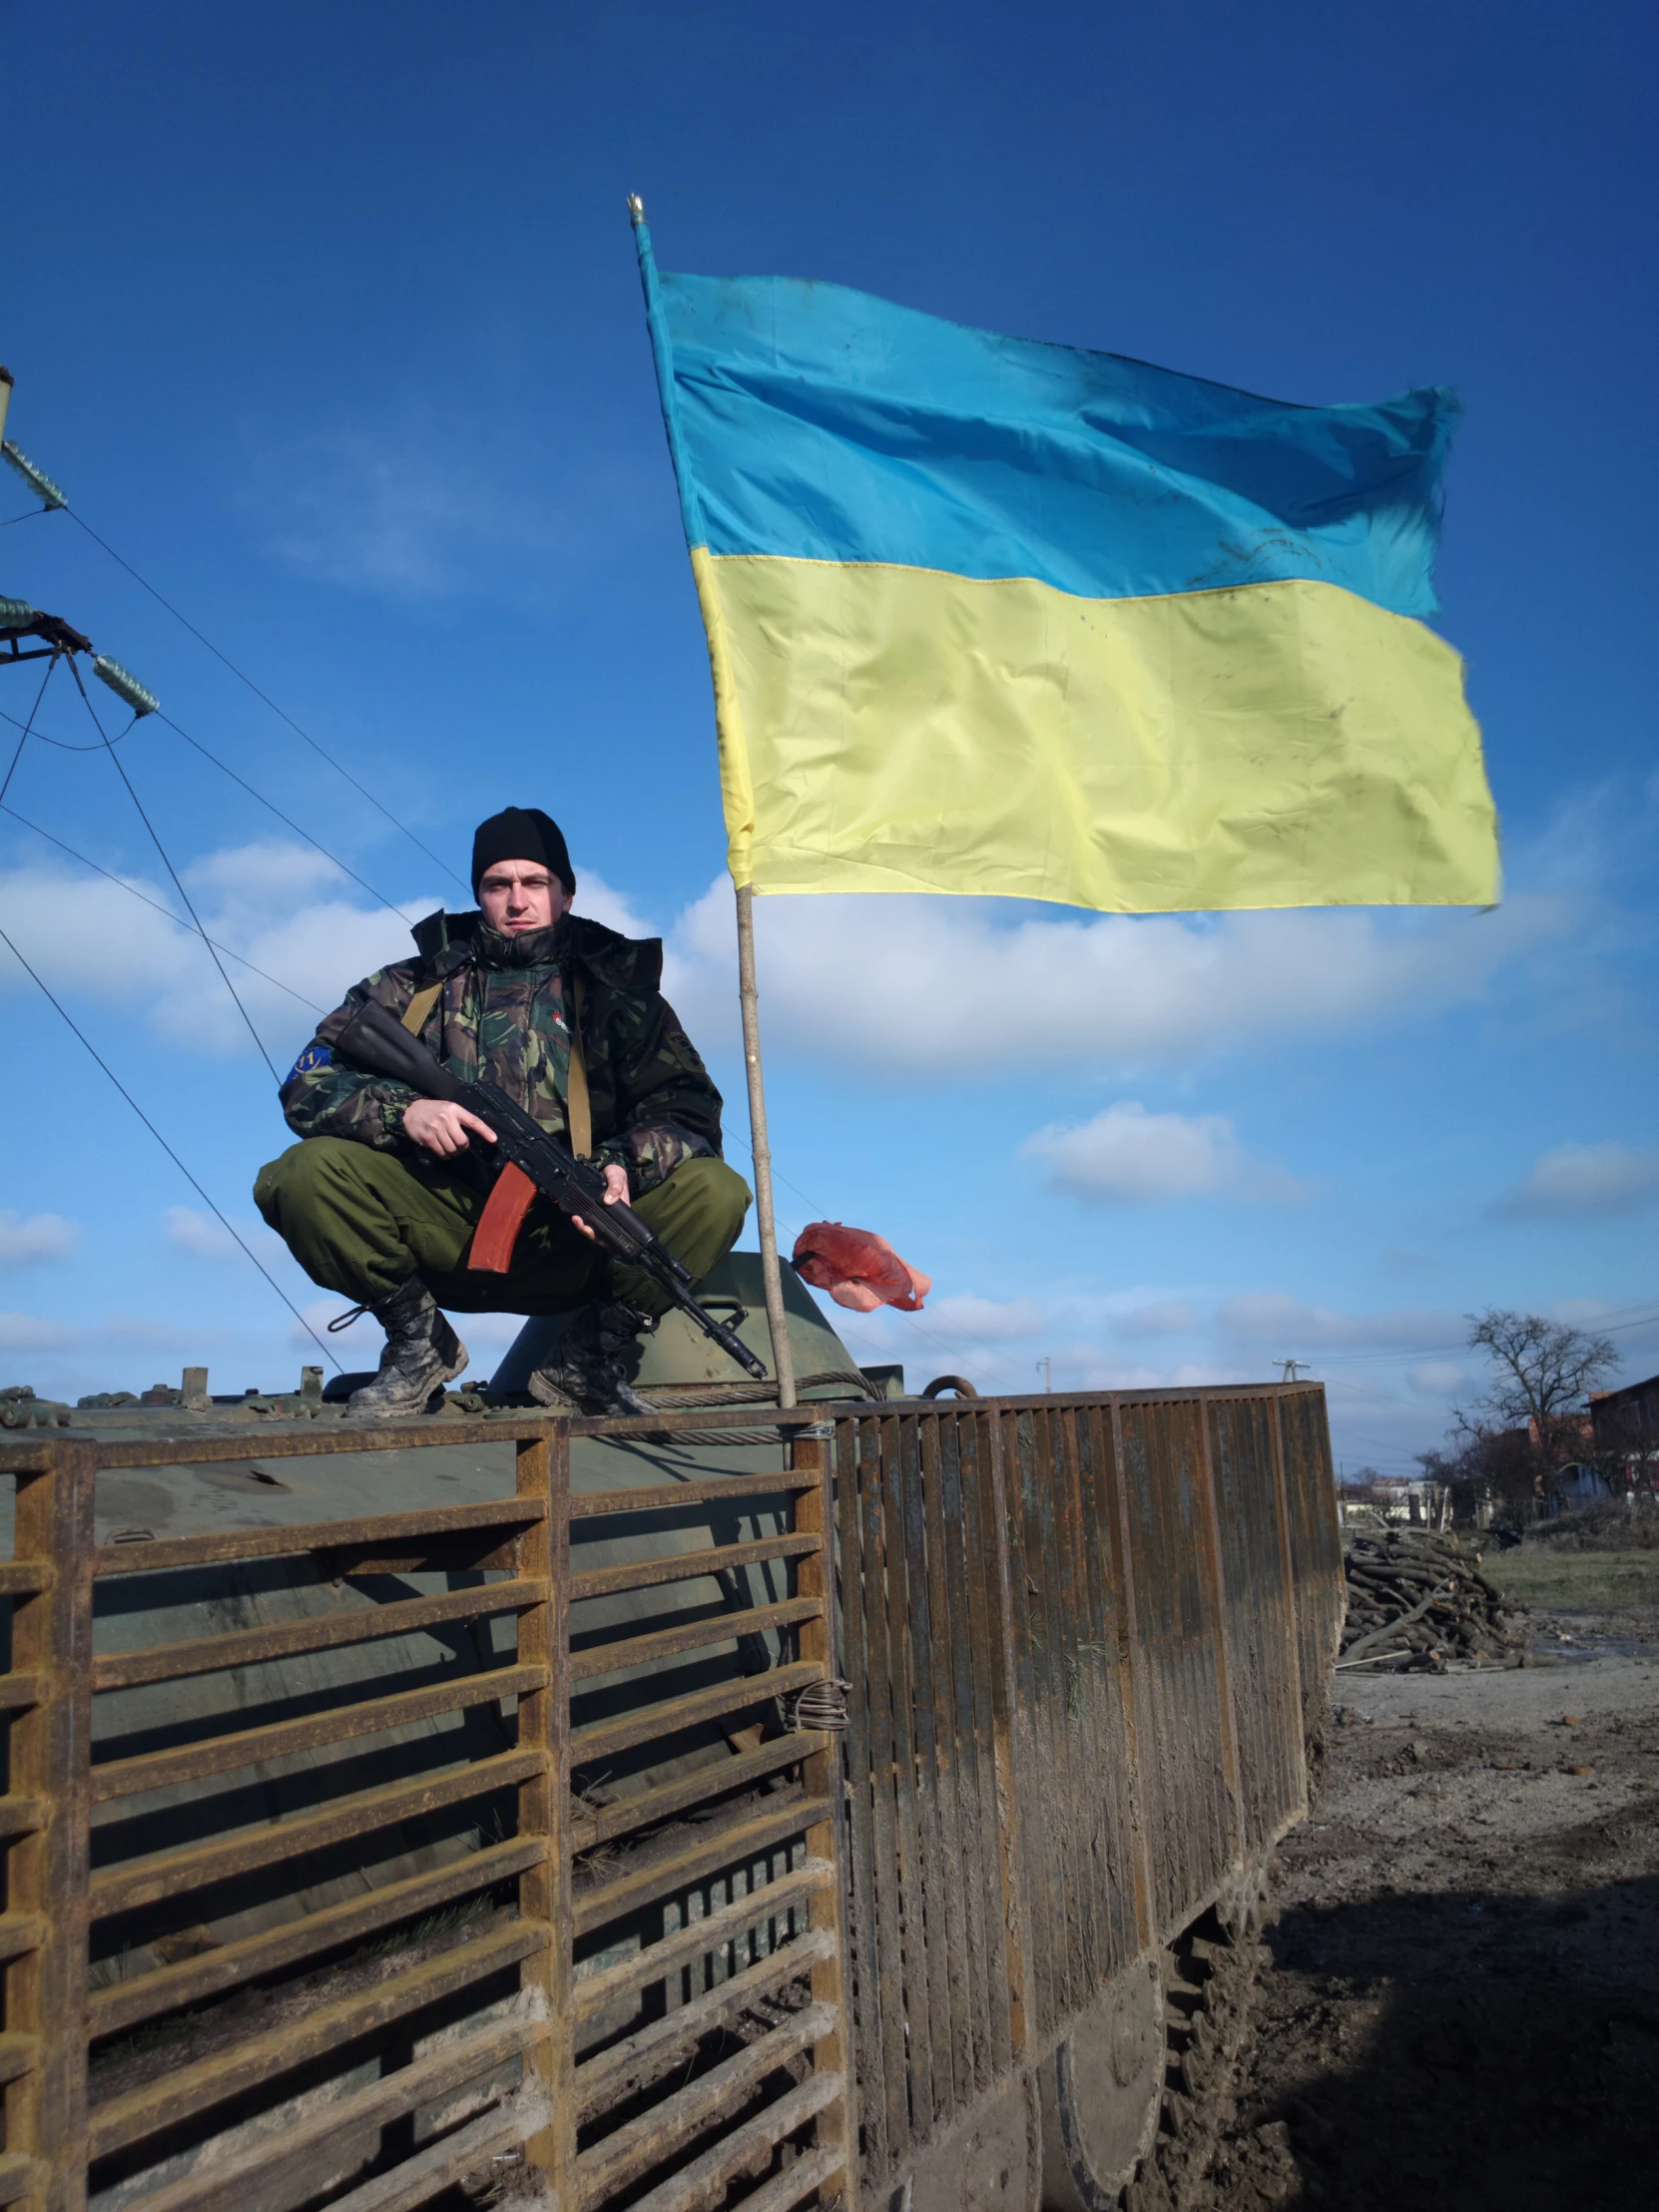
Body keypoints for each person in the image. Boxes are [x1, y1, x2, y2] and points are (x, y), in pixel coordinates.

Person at [255, 806, 750, 1418]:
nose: (517, 900)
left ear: (565, 895)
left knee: (717, 1191)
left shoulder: (623, 1000)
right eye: (498, 884)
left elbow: (690, 1113)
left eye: (535, 883)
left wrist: (622, 1167)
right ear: (479, 894)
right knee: (301, 1175)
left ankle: (584, 1362)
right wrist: (404, 1111)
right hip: (445, 1226)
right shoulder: (412, 986)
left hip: (574, 1237)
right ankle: (418, 1344)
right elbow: (307, 1083)